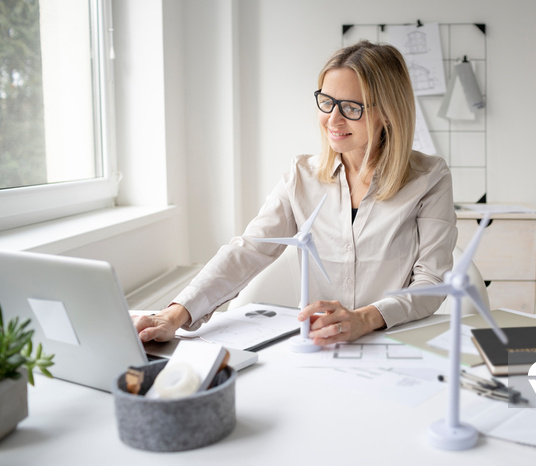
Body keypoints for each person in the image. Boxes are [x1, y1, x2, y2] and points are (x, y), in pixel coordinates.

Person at [133, 40, 457, 346]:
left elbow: (431, 282)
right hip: (318, 343)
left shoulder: (429, 178)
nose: (333, 119)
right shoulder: (302, 175)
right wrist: (174, 314)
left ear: (387, 113)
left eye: (351, 108)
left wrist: (363, 319)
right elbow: (249, 250)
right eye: (327, 102)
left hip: (395, 341)